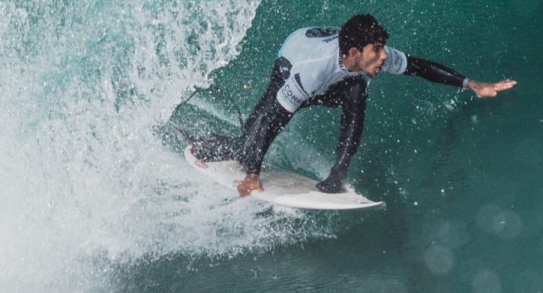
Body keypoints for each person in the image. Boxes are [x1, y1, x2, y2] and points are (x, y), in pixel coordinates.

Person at [189, 13, 514, 195]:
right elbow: (275, 119)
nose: (384, 56)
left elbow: (419, 67)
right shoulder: (311, 72)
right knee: (249, 146)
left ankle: (339, 172)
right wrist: (253, 173)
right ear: (356, 52)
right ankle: (210, 146)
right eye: (377, 50)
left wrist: (472, 84)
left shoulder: (367, 56)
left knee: (356, 90)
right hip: (292, 62)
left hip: (334, 74)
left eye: (382, 48)